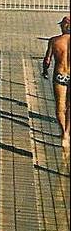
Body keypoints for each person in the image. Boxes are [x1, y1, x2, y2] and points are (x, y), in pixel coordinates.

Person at [42, 15, 71, 150]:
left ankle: (63, 133)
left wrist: (45, 71)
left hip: (60, 75)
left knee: (60, 107)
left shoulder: (54, 41)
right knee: (71, 106)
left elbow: (47, 60)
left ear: (63, 26)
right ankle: (68, 132)